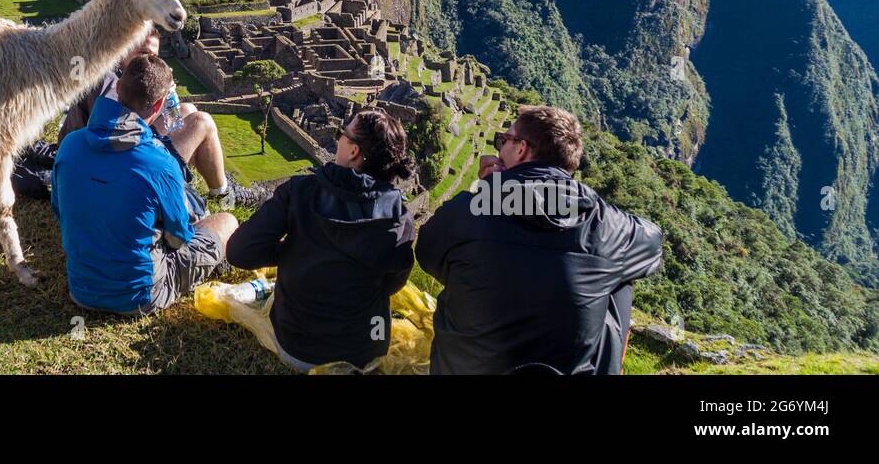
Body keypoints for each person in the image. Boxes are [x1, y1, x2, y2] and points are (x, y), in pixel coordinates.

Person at [415, 105, 663, 375]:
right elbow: (653, 243)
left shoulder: (472, 207)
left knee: (466, 262)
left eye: (503, 139)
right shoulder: (605, 224)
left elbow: (427, 253)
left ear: (521, 148)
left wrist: (488, 189)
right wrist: (591, 203)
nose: (499, 147)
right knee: (619, 271)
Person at [226, 109, 416, 372]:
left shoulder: (300, 191)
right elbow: (393, 283)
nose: (338, 139)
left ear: (353, 152)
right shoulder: (399, 215)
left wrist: (291, 252)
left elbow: (240, 252)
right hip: (365, 352)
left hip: (296, 348)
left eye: (342, 134)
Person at [51, 53, 239, 314]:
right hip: (140, 296)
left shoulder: (71, 145)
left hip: (81, 289)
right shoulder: (160, 163)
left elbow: (60, 211)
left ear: (118, 88)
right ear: (160, 103)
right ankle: (213, 257)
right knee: (226, 221)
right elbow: (178, 239)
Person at [15, 27, 250, 208]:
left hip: (107, 151)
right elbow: (121, 133)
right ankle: (222, 195)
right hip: (108, 163)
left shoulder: (136, 74)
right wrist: (162, 102)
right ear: (125, 49)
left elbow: (174, 122)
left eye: (154, 56)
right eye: (144, 54)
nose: (150, 62)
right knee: (202, 123)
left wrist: (168, 96)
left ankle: (195, 184)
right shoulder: (108, 82)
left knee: (188, 111)